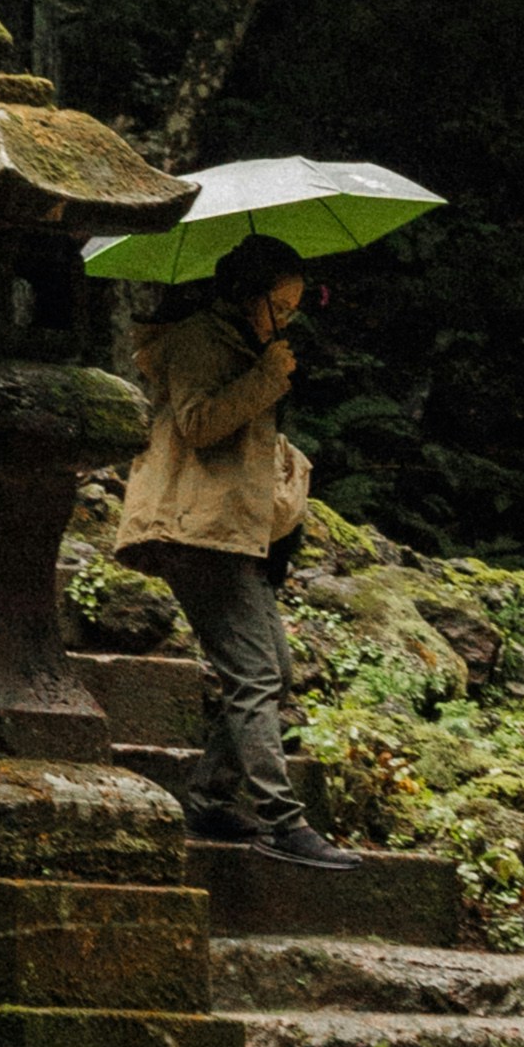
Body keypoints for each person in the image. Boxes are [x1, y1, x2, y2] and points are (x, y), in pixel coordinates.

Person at [117, 235, 345, 861]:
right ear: (248, 296)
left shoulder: (248, 346)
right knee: (254, 676)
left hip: (233, 533)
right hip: (195, 531)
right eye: (282, 304)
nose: (289, 318)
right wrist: (266, 380)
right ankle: (282, 821)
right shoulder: (198, 340)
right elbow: (196, 423)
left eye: (296, 307)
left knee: (275, 671)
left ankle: (213, 800)